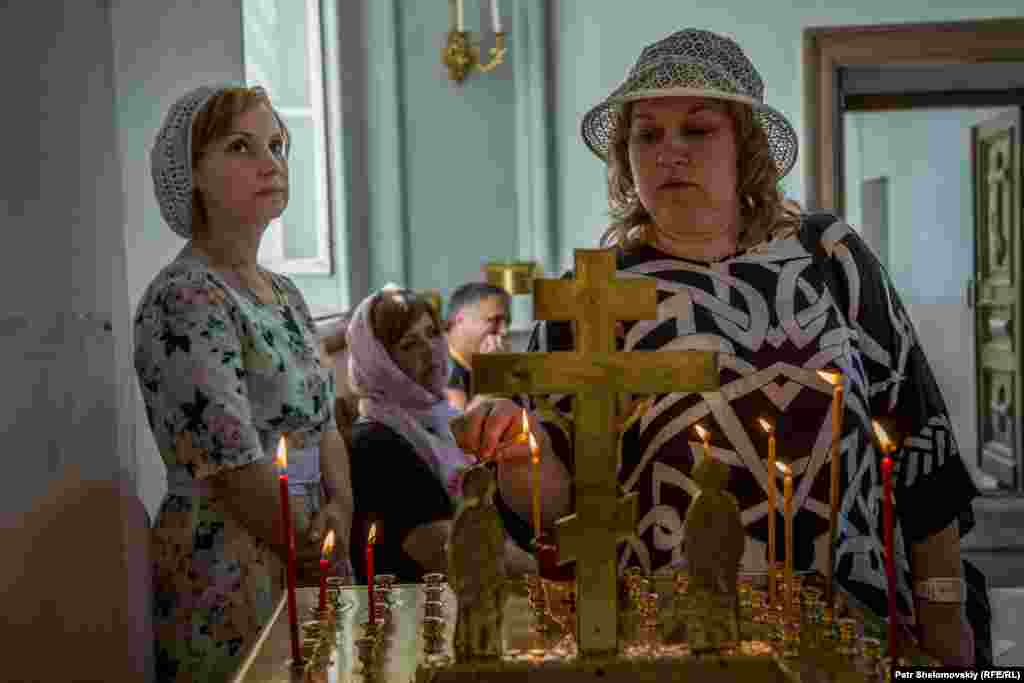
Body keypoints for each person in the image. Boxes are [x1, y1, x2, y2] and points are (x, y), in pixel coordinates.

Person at [454, 29, 990, 667]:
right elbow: (561, 508)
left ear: (746, 148)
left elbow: (920, 446)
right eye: (647, 135)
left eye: (698, 130)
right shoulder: (592, 295)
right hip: (670, 639)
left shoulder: (830, 259)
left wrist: (947, 624)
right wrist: (521, 460)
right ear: (625, 158)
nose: (670, 152)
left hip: (851, 621)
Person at [136, 85, 353, 682]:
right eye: (241, 146)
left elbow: (325, 422)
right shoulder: (185, 297)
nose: (271, 162)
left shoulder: (285, 293)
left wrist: (341, 508)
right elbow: (230, 462)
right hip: (232, 562)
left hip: (311, 544)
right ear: (193, 176)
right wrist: (305, 545)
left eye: (278, 145)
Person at [345, 288, 567, 584]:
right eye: (410, 344)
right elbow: (446, 549)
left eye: (432, 334)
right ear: (377, 361)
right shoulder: (373, 444)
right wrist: (547, 582)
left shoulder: (441, 419)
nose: (430, 350)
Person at [444, 282, 512, 410]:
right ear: (460, 320)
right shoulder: (435, 360)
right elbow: (458, 427)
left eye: (507, 322)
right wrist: (494, 376)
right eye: (494, 320)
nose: (504, 331)